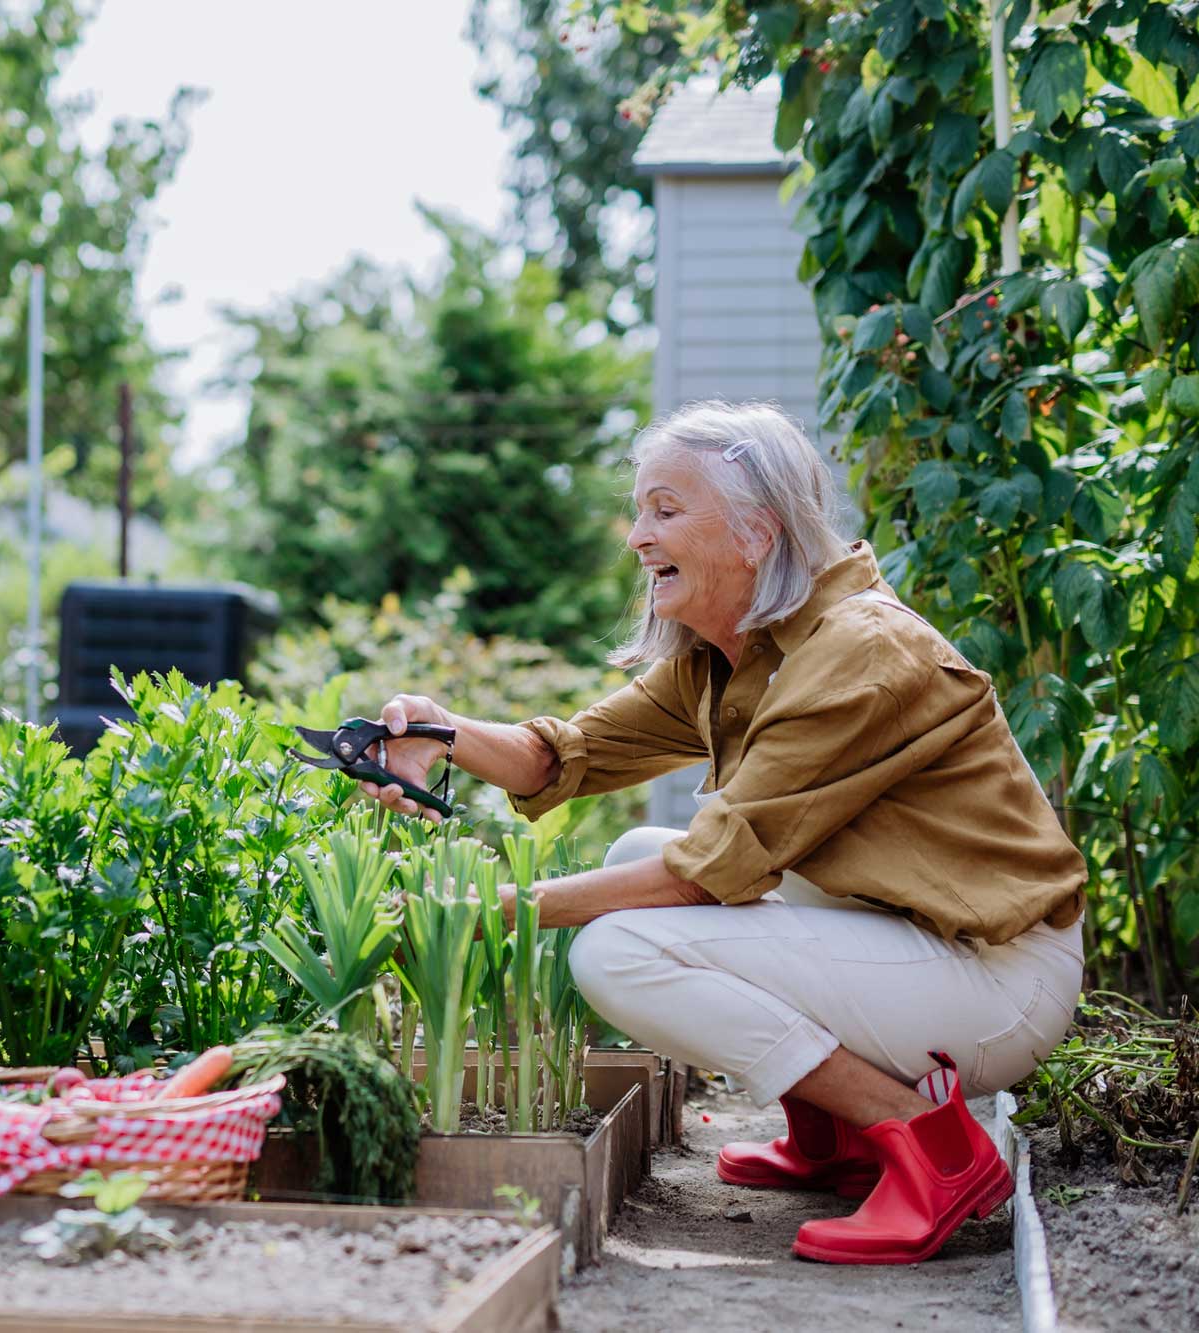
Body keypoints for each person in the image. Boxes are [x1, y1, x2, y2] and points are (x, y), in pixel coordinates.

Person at [363, 400, 1085, 1264]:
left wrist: (497, 907)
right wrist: (436, 732)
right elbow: (560, 758)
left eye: (665, 509)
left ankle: (928, 1145)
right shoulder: (733, 654)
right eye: (640, 510)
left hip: (998, 980)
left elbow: (710, 872)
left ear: (756, 531)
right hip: (921, 943)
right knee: (634, 858)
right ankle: (834, 1138)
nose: (637, 536)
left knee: (614, 951)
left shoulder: (858, 652)